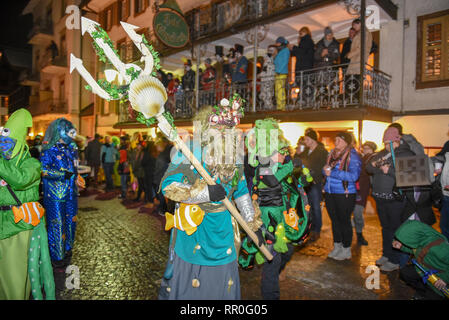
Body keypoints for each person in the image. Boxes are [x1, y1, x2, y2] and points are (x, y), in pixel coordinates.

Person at [158, 94, 255, 299]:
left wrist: (254, 224)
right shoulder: (189, 150)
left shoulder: (234, 156)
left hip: (223, 233)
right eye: (218, 128)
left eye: (227, 129)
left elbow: (242, 192)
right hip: (195, 231)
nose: (223, 133)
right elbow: (168, 187)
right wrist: (204, 193)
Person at [242, 118, 310, 300]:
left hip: (281, 219)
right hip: (267, 220)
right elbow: (271, 180)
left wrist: (302, 179)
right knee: (273, 261)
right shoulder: (262, 165)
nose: (284, 155)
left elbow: (290, 184)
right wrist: (290, 166)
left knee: (287, 251)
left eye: (285, 152)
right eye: (281, 152)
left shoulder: (276, 164)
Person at [0, 109, 55, 300]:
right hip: (1, 224)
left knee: (15, 278)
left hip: (19, 227)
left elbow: (20, 179)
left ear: (18, 143)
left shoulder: (32, 164)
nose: (2, 147)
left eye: (7, 142)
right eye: (0, 143)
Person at [366, 126, 415, 271]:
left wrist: (390, 171)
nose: (387, 146)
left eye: (390, 143)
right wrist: (374, 165)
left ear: (397, 140)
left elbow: (410, 177)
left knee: (395, 229)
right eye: (385, 143)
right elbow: (368, 168)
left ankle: (395, 260)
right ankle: (386, 254)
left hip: (396, 199)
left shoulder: (406, 154)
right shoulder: (382, 153)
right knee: (385, 228)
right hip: (380, 198)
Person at [41, 118, 85, 268]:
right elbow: (43, 170)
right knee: (57, 224)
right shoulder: (49, 149)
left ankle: (67, 250)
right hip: (55, 195)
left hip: (71, 193)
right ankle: (57, 256)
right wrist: (61, 174)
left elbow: (75, 168)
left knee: (71, 222)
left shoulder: (72, 148)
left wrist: (78, 177)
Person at [323, 132, 361, 260]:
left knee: (344, 221)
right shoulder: (331, 154)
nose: (336, 141)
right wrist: (326, 171)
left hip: (344, 193)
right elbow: (326, 170)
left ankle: (346, 249)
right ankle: (337, 246)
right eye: (336, 139)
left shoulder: (353, 156)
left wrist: (332, 173)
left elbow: (354, 176)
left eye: (340, 139)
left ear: (347, 142)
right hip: (330, 192)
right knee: (335, 221)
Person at [394, 220, 449, 300]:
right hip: (426, 270)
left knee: (433, 296)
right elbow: (417, 251)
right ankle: (423, 292)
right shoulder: (421, 239)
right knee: (405, 273)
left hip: (441, 277)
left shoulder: (440, 248)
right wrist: (401, 247)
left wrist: (445, 279)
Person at [295, 128, 328, 241]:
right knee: (306, 206)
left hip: (314, 182)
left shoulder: (322, 151)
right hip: (304, 182)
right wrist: (297, 154)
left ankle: (316, 230)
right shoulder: (305, 151)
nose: (305, 141)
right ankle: (308, 227)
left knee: (315, 206)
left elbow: (321, 167)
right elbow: (297, 163)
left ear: (313, 139)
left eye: (307, 139)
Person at [353, 141, 377, 245]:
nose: (365, 150)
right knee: (353, 212)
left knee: (358, 212)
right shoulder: (359, 157)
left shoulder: (373, 158)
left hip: (362, 190)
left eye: (368, 148)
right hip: (353, 188)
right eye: (364, 148)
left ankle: (359, 234)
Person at [153, 136, 173, 216]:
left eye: (157, 146)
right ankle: (166, 209)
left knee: (162, 194)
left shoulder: (163, 155)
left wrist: (155, 177)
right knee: (164, 194)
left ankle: (164, 209)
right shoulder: (165, 153)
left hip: (161, 177)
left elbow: (160, 168)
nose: (156, 147)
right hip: (163, 177)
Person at [273, 36, 290, 111]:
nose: (276, 44)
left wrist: (279, 70)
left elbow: (285, 61)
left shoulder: (286, 50)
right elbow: (275, 62)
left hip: (282, 72)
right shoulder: (279, 51)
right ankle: (279, 106)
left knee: (281, 90)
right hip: (278, 72)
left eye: (277, 43)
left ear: (280, 43)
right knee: (277, 90)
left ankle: (282, 106)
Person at [259, 45, 277, 110]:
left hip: (269, 79)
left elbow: (266, 70)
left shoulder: (271, 60)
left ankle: (269, 107)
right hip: (266, 79)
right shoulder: (267, 62)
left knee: (268, 93)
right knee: (265, 94)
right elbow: (264, 70)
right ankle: (267, 106)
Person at [141, 140, 156, 205]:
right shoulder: (156, 153)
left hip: (148, 171)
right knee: (154, 186)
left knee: (148, 186)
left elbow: (143, 162)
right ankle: (156, 198)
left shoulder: (147, 153)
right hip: (154, 171)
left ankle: (150, 200)